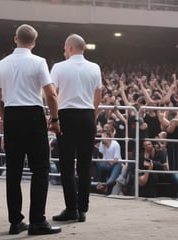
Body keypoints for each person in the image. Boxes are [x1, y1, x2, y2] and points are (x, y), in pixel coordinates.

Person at [0, 24, 61, 236]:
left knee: (13, 172)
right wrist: (55, 119)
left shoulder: (1, 64)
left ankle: (15, 222)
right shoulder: (39, 62)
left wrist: (6, 118)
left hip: (12, 115)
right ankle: (37, 221)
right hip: (33, 116)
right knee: (40, 170)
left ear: (15, 39)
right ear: (33, 42)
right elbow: (51, 95)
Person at [50, 34, 102, 222]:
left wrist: (53, 116)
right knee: (84, 165)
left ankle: (71, 208)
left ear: (70, 47)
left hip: (66, 116)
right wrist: (93, 115)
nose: (64, 50)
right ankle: (83, 209)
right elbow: (98, 95)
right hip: (87, 116)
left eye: (65, 47)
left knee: (66, 165)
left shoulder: (58, 67)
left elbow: (51, 94)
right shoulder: (95, 67)